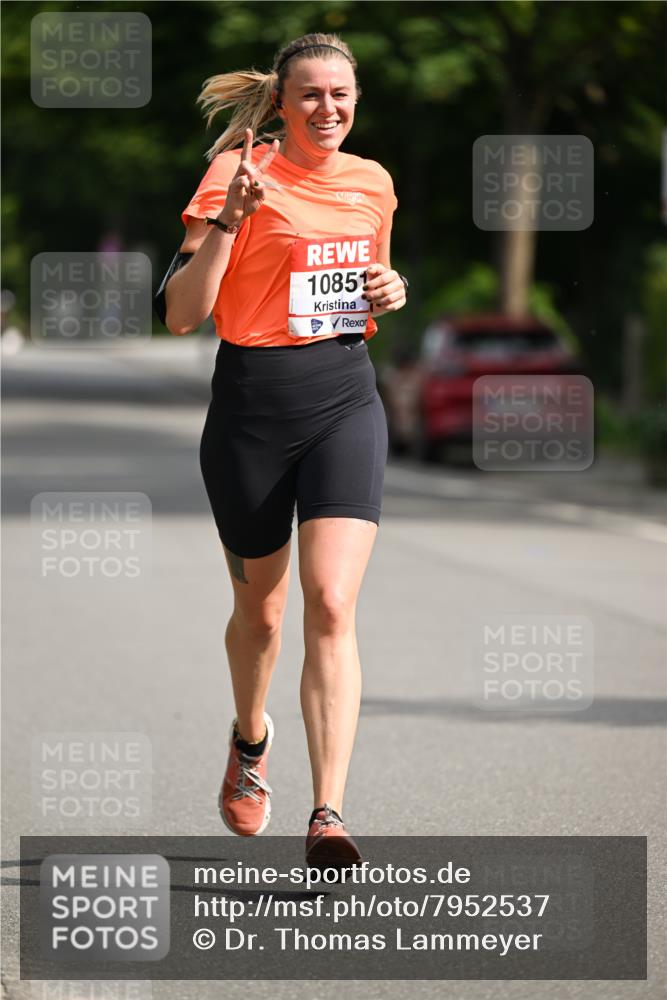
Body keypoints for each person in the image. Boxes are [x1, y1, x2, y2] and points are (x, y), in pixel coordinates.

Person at [159, 32, 406, 867]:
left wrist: (391, 288)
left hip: (344, 398)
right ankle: (249, 739)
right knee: (261, 615)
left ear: (355, 101)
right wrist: (231, 219)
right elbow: (182, 314)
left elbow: (369, 283)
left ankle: (327, 812)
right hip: (252, 410)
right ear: (281, 101)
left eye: (341, 94)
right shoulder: (235, 174)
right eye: (310, 94)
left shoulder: (373, 182)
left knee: (331, 603)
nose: (327, 108)